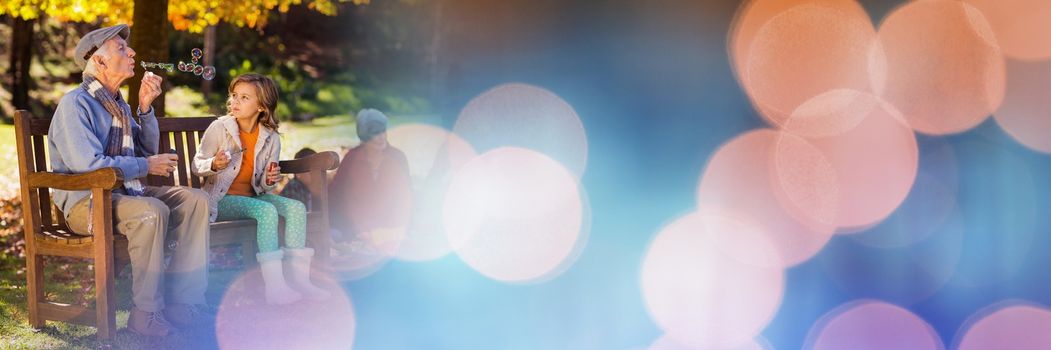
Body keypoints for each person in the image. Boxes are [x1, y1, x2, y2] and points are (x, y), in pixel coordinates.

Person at [49, 24, 210, 337]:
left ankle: (183, 301)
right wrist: (145, 165)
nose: (132, 52)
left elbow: (145, 149)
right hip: (87, 200)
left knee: (196, 202)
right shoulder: (75, 104)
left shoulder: (119, 106)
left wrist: (145, 108)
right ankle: (145, 314)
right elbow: (88, 166)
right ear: (99, 61)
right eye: (121, 48)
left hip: (124, 193)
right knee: (151, 210)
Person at [192, 73, 328, 305]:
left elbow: (265, 184)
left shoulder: (271, 137)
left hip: (254, 198)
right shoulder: (219, 128)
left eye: (244, 97)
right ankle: (275, 288)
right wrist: (214, 164)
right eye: (234, 95)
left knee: (296, 208)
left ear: (262, 107)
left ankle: (300, 280)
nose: (235, 101)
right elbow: (197, 165)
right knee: (266, 212)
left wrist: (270, 178)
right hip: (222, 200)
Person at [329, 109, 412, 253]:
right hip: (356, 228)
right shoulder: (351, 158)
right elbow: (336, 194)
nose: (382, 137)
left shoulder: (398, 157)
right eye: (375, 133)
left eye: (383, 131)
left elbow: (406, 197)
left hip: (390, 227)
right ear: (364, 137)